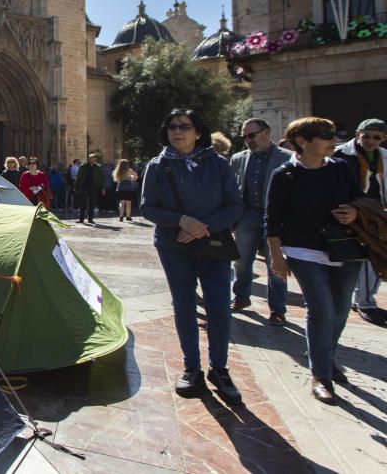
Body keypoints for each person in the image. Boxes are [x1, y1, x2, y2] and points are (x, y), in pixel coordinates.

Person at [140, 109, 243, 405]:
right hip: (174, 246)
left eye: (185, 126)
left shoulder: (219, 165)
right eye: (172, 126)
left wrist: (202, 227)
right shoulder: (158, 166)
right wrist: (182, 221)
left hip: (213, 244)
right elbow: (148, 207)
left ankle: (219, 369)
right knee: (184, 306)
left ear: (198, 132)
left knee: (219, 307)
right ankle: (192, 367)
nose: (177, 131)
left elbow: (234, 205)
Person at [267, 117, 366, 404]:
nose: (332, 139)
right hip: (303, 250)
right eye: (325, 135)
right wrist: (276, 257)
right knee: (321, 310)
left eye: (334, 134)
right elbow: (271, 221)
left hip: (346, 249)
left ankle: (326, 355)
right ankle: (320, 375)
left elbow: (359, 200)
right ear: (302, 142)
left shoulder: (343, 169)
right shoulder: (284, 175)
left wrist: (355, 213)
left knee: (341, 308)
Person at [230, 118, 294, 325]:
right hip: (246, 215)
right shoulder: (238, 158)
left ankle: (277, 308)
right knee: (241, 260)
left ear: (266, 133)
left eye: (252, 135)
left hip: (275, 219)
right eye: (244, 136)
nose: (247, 140)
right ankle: (241, 297)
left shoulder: (288, 158)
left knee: (275, 263)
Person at [334, 118, 387, 327]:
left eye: (376, 137)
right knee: (358, 255)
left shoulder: (384, 157)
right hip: (349, 211)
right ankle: (363, 301)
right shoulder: (341, 155)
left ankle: (365, 299)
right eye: (366, 136)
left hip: (376, 213)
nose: (371, 141)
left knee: (376, 252)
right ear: (358, 134)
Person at [74, 154, 105, 225]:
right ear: (88, 159)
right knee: (83, 203)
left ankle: (90, 218)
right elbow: (78, 177)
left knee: (92, 203)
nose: (91, 159)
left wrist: (103, 188)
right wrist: (76, 186)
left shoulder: (98, 167)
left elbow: (102, 178)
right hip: (84, 187)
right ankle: (81, 219)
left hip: (94, 187)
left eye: (93, 158)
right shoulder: (83, 166)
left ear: (95, 159)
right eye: (90, 158)